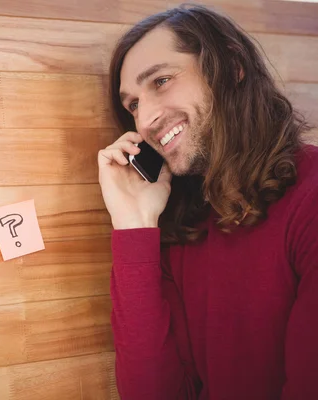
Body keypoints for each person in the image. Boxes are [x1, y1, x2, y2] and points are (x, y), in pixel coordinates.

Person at [98, 4, 318, 400]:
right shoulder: (183, 227)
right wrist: (134, 225)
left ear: (232, 67)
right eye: (132, 105)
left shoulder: (312, 196)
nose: (145, 119)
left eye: (162, 80)